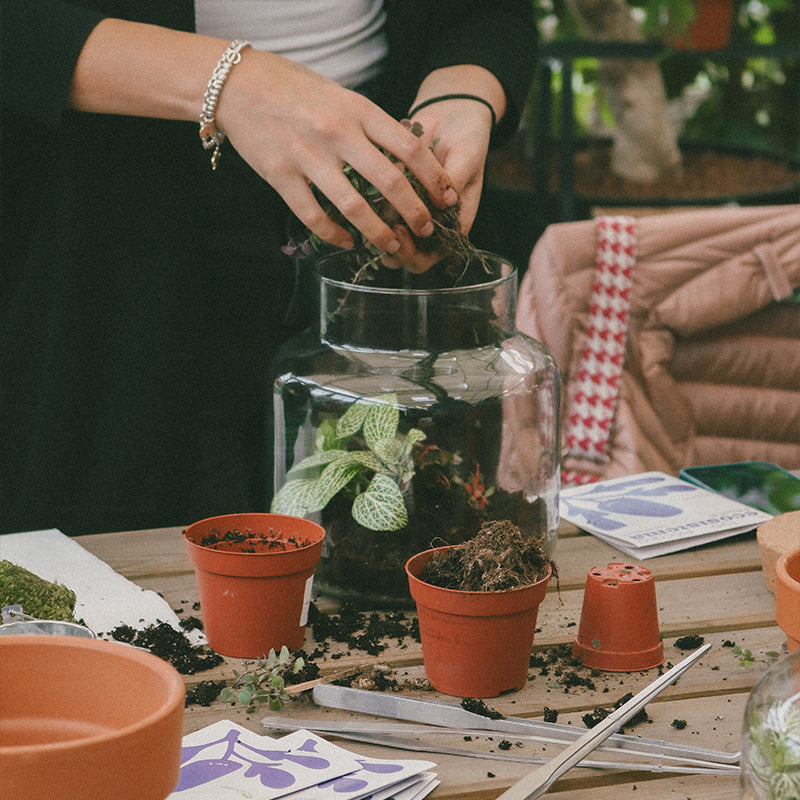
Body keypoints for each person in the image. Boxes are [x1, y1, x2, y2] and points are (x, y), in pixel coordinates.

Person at [0, 1, 536, 536]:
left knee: (386, 545)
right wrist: (231, 80)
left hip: (377, 199)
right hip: (95, 234)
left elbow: (482, 15)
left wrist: (463, 89)